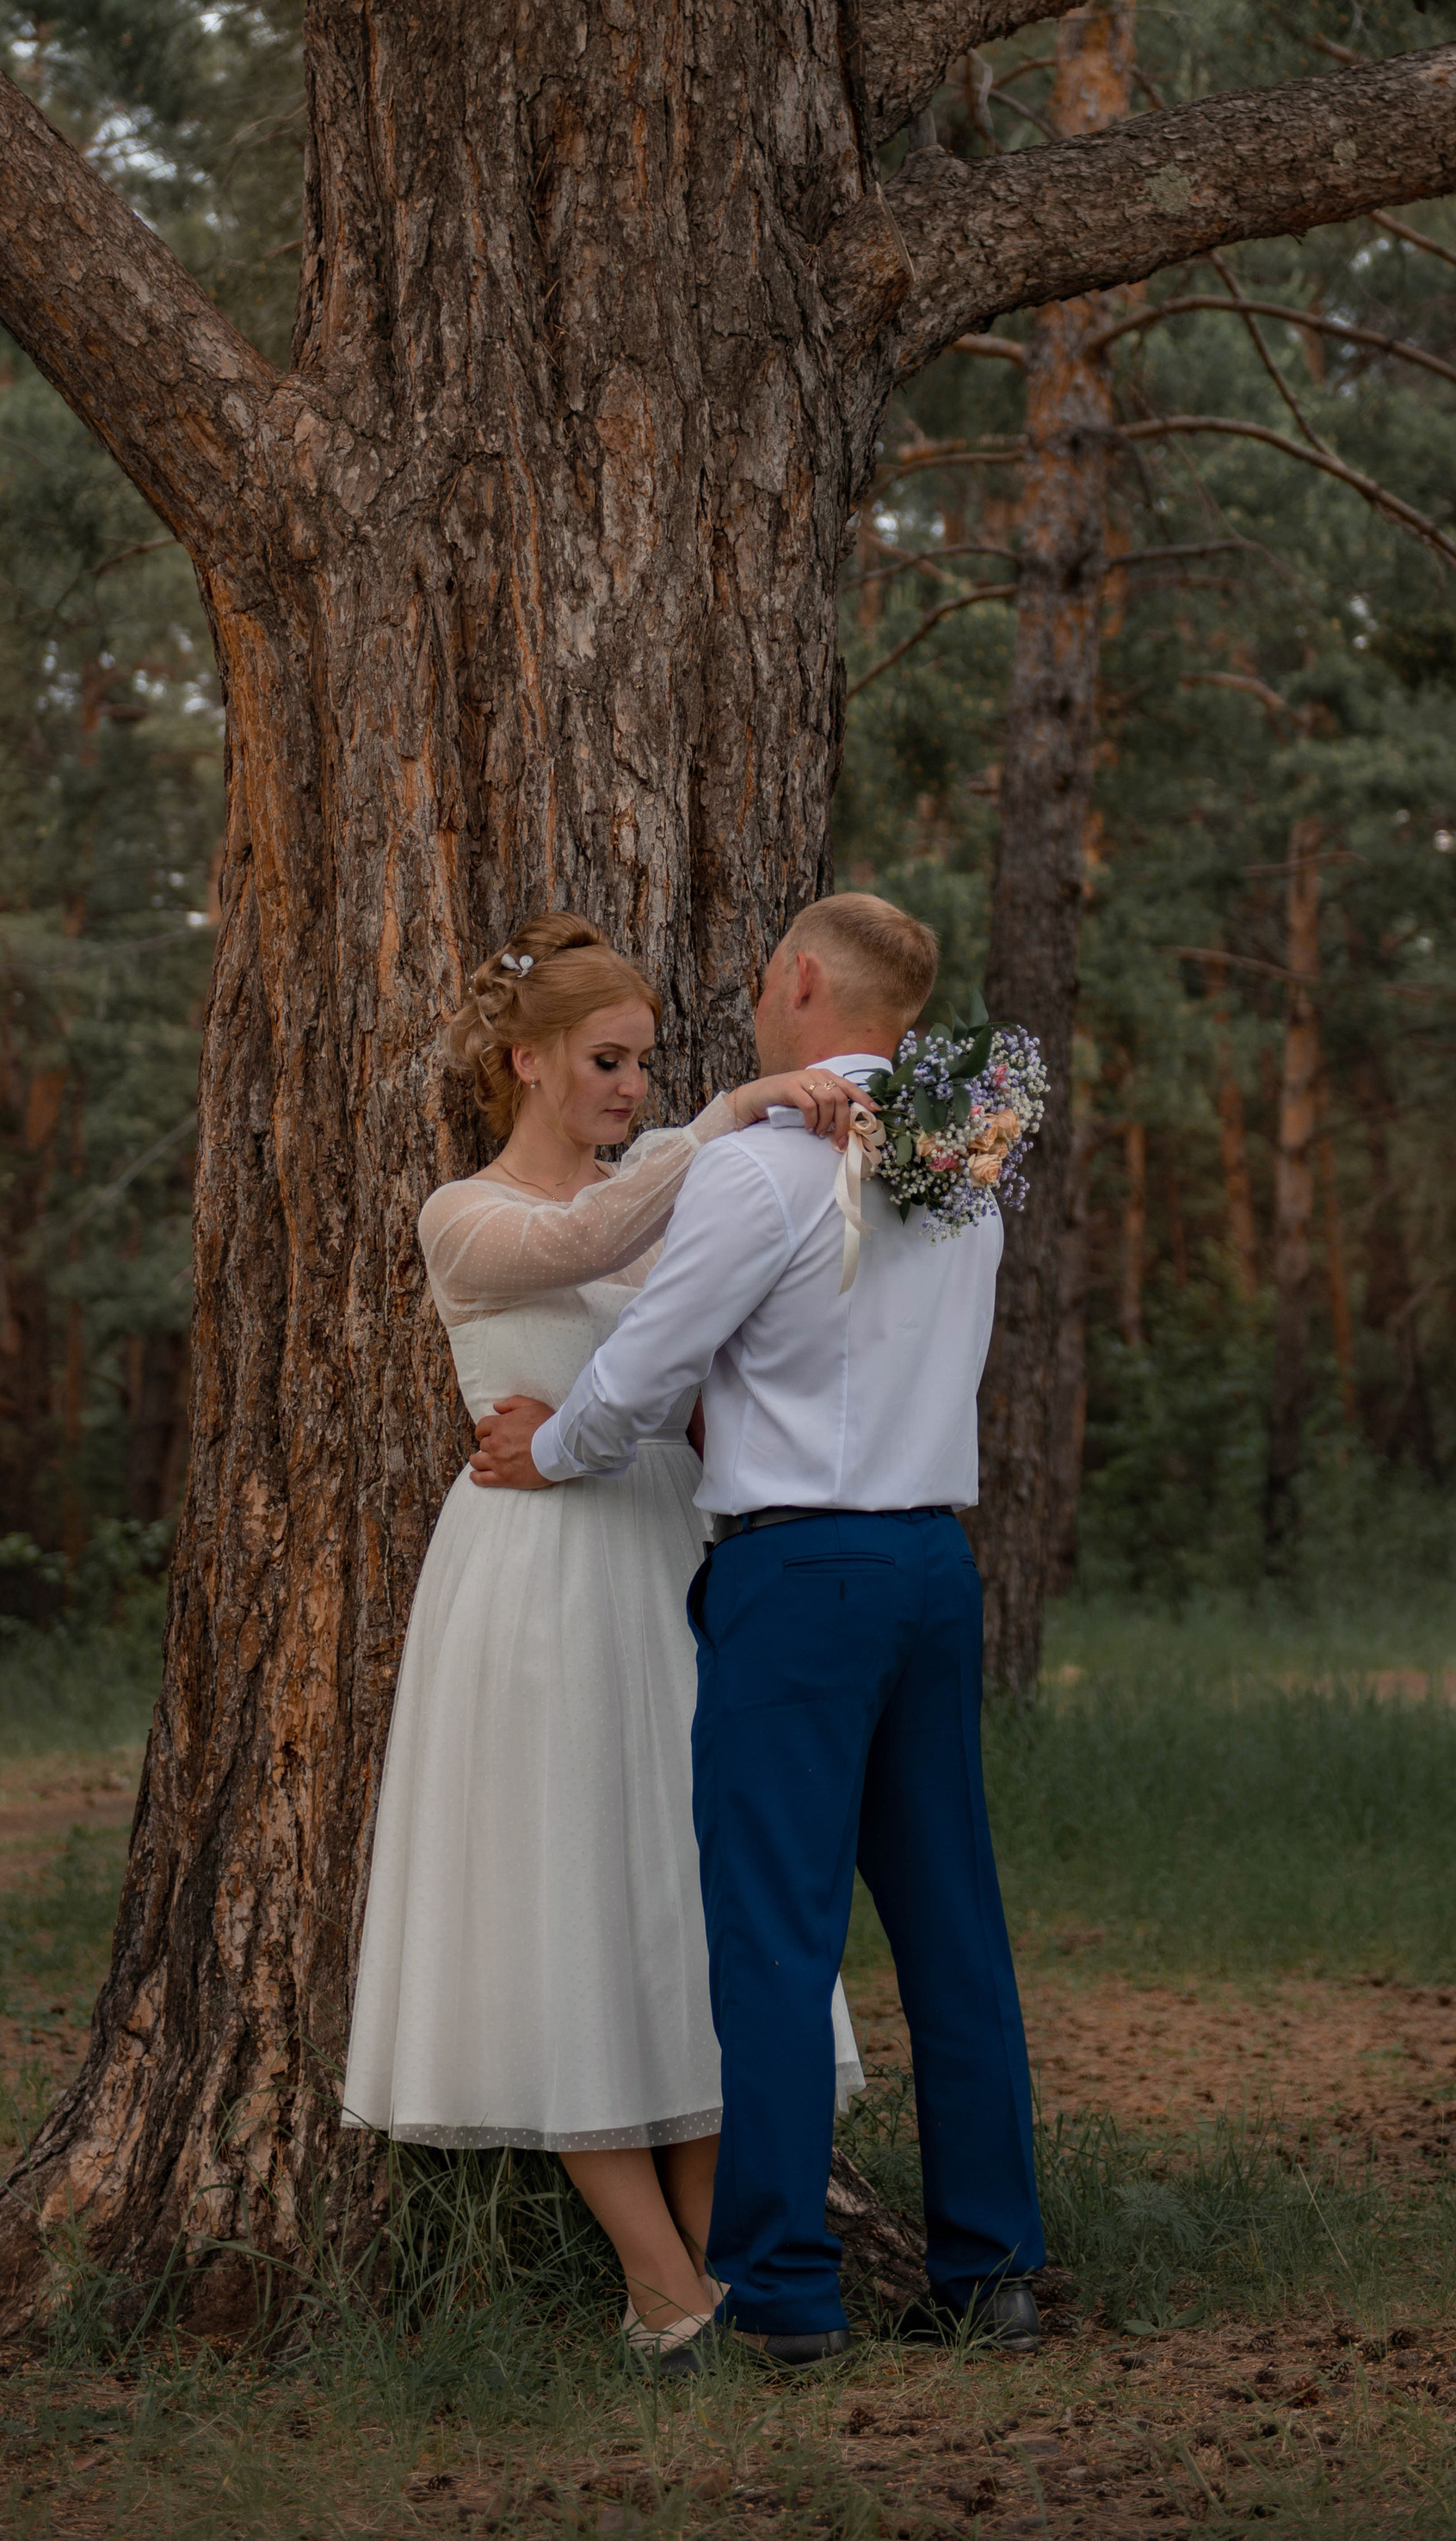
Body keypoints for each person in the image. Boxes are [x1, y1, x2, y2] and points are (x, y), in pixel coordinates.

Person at [472, 892, 1046, 2367]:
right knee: (953, 1932)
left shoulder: (763, 1169)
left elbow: (642, 1376)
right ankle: (993, 2271)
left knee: (776, 1944)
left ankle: (785, 2299)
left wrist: (545, 1451)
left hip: (801, 1580)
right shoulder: (964, 1156)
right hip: (932, 1565)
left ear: (799, 982)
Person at [341, 914, 868, 2374]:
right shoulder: (466, 1212)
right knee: (562, 1905)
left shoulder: (658, 1179)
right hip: (531, 1573)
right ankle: (659, 2286)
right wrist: (744, 1106)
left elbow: (702, 1325)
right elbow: (582, 1244)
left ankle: (720, 2271)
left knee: (678, 1910)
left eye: (645, 1063)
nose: (632, 1086)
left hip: (659, 1554)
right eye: (606, 1061)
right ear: (527, 1060)